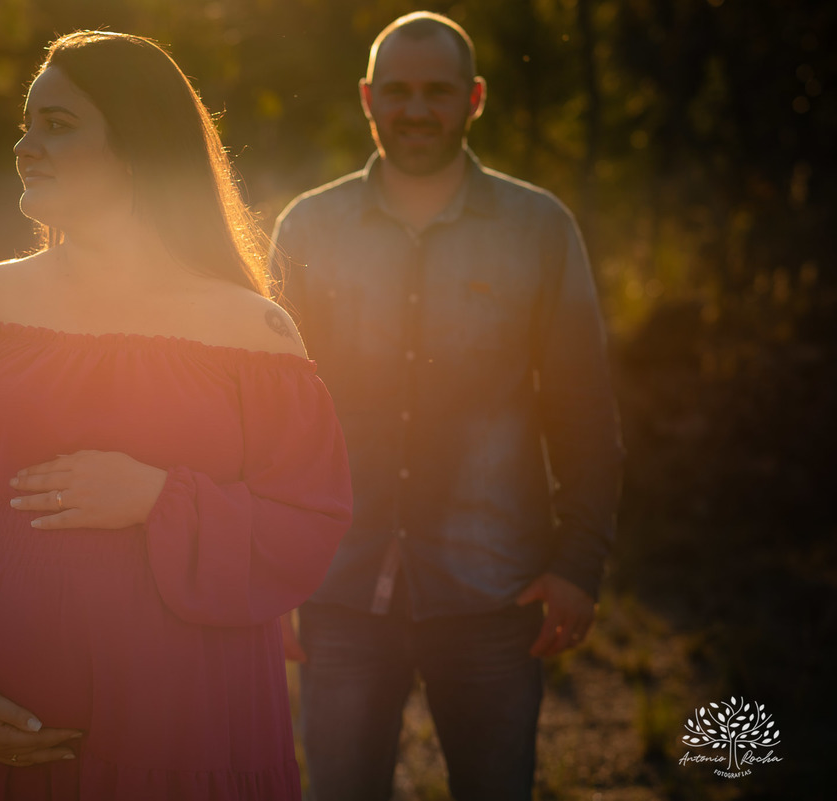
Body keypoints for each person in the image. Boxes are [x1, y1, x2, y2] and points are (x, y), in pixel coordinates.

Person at [0, 31, 352, 801]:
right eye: (26, 124)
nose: (25, 146)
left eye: (57, 125)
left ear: (137, 143)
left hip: (190, 729)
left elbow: (310, 517)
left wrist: (160, 497)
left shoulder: (250, 330)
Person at [271, 12, 623, 801]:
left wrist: (578, 563)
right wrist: (272, 571)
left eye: (438, 91)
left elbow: (584, 409)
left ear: (475, 98)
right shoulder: (309, 227)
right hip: (341, 588)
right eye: (398, 91)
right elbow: (275, 420)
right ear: (368, 97)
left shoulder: (538, 227)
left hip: (495, 587)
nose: (417, 109)